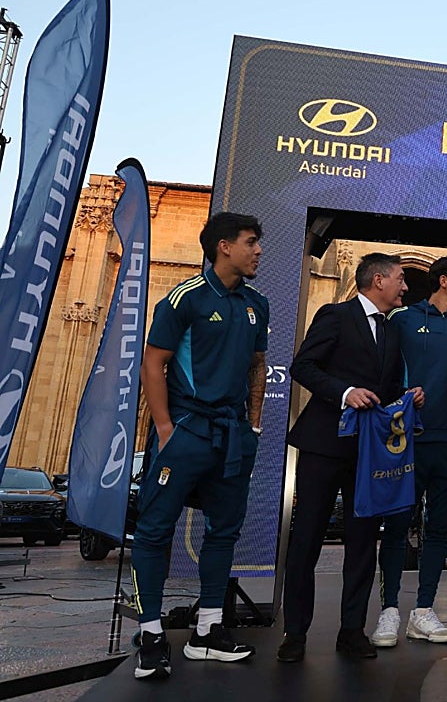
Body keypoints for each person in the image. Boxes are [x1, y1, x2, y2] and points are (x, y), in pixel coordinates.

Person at [131, 213, 268, 680]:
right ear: (224, 246)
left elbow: (257, 365)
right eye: (251, 243)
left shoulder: (256, 304)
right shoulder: (183, 298)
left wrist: (253, 424)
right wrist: (166, 428)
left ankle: (207, 631)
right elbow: (154, 363)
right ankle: (151, 635)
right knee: (154, 531)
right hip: (186, 431)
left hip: (232, 437)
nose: (258, 251)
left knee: (223, 531)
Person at [279, 254, 421, 662]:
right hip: (324, 445)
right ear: (379, 280)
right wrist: (345, 392)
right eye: (400, 280)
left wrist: (408, 399)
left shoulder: (393, 334)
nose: (405, 287)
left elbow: (390, 388)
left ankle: (352, 630)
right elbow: (303, 366)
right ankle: (295, 633)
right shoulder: (336, 315)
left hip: (369, 452)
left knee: (362, 543)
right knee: (306, 539)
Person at [372, 256, 447, 647]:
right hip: (406, 442)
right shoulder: (402, 320)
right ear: (443, 280)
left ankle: (423, 610)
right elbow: (381, 373)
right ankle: (388, 612)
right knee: (398, 528)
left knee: (440, 531)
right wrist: (398, 396)